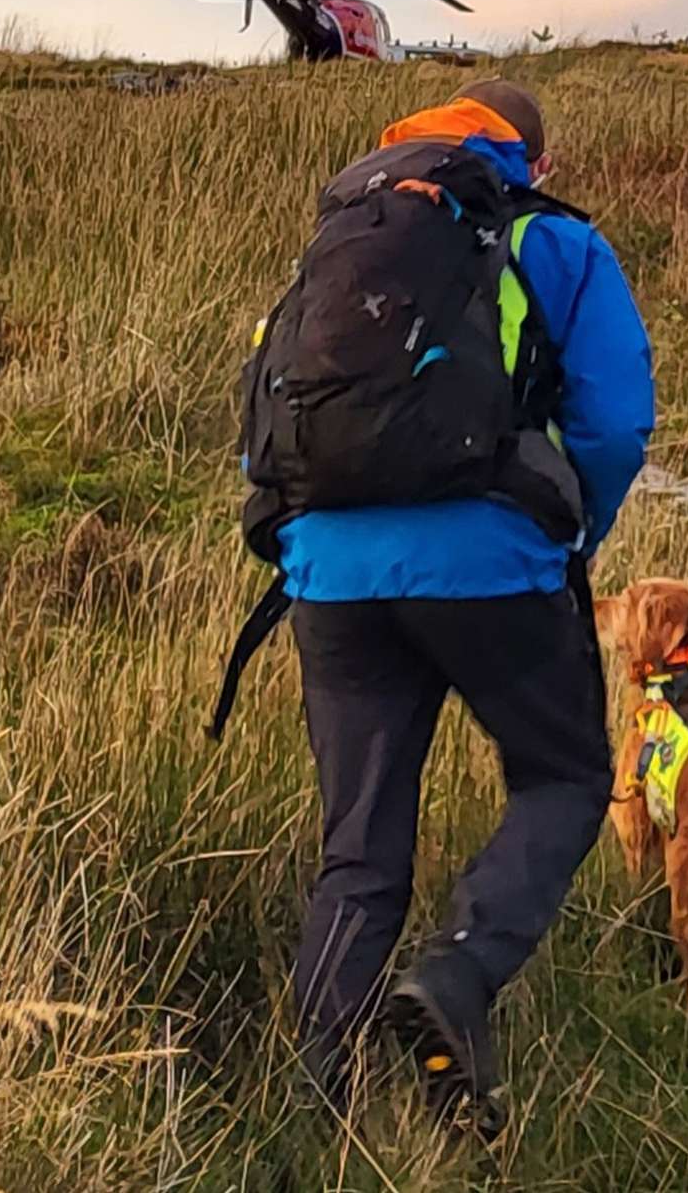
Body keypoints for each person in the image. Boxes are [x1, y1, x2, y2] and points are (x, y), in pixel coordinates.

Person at [277, 81, 654, 1129]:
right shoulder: (550, 238)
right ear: (531, 153)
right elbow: (618, 426)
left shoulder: (342, 228)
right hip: (491, 558)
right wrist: (569, 532)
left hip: (327, 569)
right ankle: (456, 974)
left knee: (358, 847)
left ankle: (320, 1103)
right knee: (567, 775)